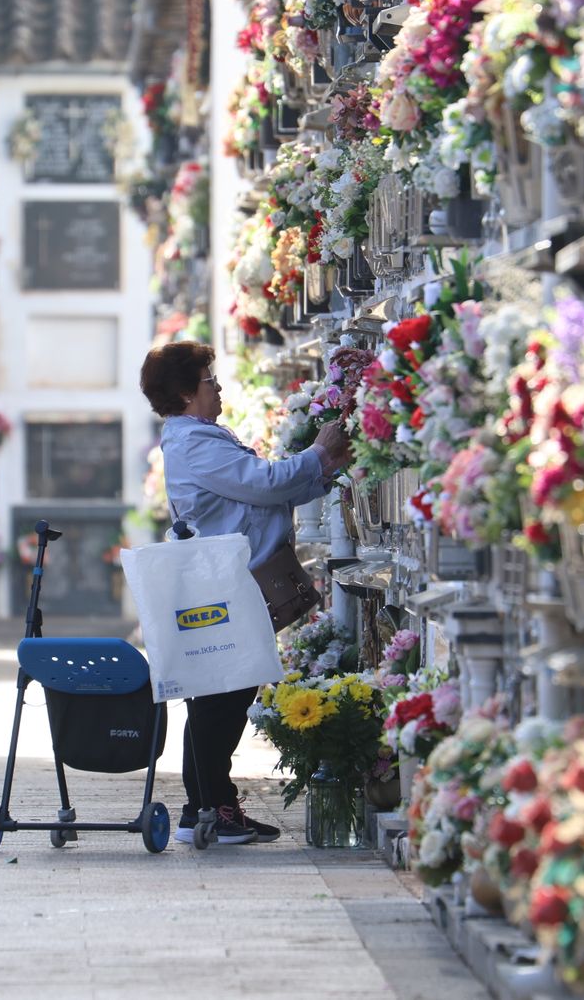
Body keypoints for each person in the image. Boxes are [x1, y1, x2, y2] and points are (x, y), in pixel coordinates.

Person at [140, 341, 352, 845]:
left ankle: (208, 805)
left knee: (222, 696)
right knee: (222, 699)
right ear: (187, 392)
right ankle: (211, 806)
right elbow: (264, 482)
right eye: (209, 381)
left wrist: (327, 472)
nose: (218, 388)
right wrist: (319, 451)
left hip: (228, 585)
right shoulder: (196, 443)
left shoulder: (199, 437)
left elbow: (264, 497)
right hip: (226, 587)